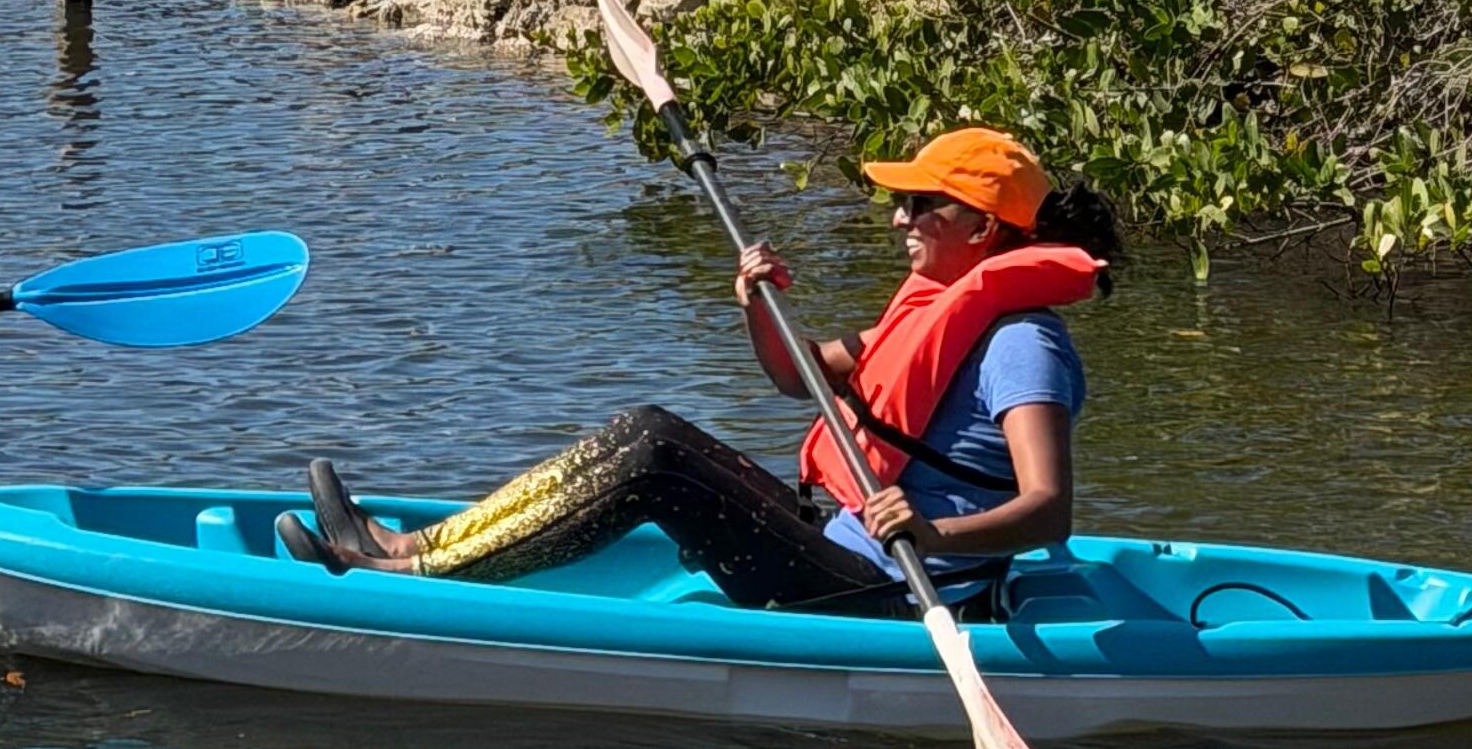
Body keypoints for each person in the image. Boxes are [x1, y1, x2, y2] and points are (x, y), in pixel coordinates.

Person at [284, 127, 1113, 614]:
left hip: (891, 591)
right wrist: (756, 301)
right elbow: (800, 377)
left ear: (986, 230)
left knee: (655, 456)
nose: (900, 216)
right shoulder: (929, 306)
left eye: (924, 204)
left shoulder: (1021, 343)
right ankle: (415, 546)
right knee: (649, 430)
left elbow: (1047, 513)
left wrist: (933, 534)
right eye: (905, 201)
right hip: (840, 547)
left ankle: (413, 573)